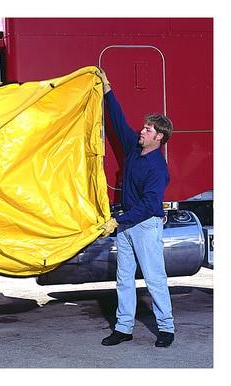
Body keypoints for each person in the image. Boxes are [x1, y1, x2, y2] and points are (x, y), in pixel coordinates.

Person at [98, 69, 175, 348]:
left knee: (154, 279)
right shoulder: (134, 148)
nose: (142, 131)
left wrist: (118, 221)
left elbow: (149, 206)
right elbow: (118, 121)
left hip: (144, 225)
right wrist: (108, 90)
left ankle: (166, 329)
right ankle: (123, 328)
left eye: (148, 129)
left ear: (159, 138)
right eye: (144, 128)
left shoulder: (157, 168)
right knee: (124, 280)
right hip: (127, 224)